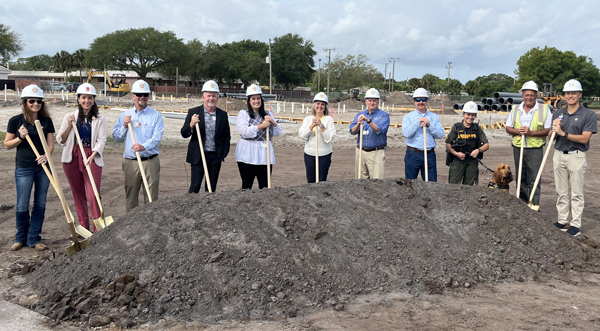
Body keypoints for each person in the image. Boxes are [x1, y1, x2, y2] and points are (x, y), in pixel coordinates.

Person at [3, 85, 54, 251]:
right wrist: (20, 137)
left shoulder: (46, 121)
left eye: (38, 101)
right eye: (31, 101)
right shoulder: (16, 121)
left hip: (43, 168)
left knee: (40, 203)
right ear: (25, 102)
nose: (35, 104)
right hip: (24, 167)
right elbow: (7, 144)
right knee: (22, 204)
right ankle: (20, 238)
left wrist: (46, 155)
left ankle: (34, 238)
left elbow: (51, 145)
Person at [56, 83, 106, 232]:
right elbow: (61, 139)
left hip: (91, 157)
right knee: (78, 195)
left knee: (93, 194)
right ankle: (84, 228)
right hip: (72, 156)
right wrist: (70, 125)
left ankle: (99, 228)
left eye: (90, 98)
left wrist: (93, 155)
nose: (87, 101)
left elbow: (101, 140)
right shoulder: (69, 117)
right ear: (78, 99)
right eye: (83, 97)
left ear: (94, 99)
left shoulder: (99, 118)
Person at [551, 79, 597, 236]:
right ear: (564, 96)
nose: (570, 96)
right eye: (568, 93)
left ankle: (575, 224)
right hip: (558, 154)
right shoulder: (558, 113)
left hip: (576, 156)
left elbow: (585, 138)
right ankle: (562, 220)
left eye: (573, 93)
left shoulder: (588, 115)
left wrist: (563, 133)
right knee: (561, 191)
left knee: (576, 193)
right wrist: (554, 128)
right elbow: (552, 135)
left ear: (579, 95)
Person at [112, 80, 164, 212]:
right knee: (131, 198)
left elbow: (157, 138)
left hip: (150, 161)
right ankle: (131, 229)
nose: (142, 97)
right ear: (133, 96)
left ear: (148, 96)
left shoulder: (156, 116)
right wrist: (124, 126)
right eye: (139, 94)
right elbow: (117, 138)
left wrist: (143, 146)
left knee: (151, 199)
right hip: (131, 163)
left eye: (145, 94)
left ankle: (151, 227)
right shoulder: (125, 115)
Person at [505, 81, 552, 207]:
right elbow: (508, 128)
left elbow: (548, 130)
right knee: (521, 177)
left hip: (535, 149)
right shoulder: (515, 109)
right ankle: (522, 205)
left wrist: (531, 133)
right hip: (518, 147)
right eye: (527, 95)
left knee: (534, 178)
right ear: (522, 96)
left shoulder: (544, 109)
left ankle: (534, 206)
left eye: (532, 95)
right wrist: (517, 131)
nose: (529, 97)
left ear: (536, 96)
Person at [181, 80, 231, 193]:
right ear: (203, 97)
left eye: (214, 96)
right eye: (209, 96)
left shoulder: (222, 115)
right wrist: (191, 124)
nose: (211, 98)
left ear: (217, 98)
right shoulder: (193, 112)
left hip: (215, 156)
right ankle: (191, 208)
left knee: (211, 188)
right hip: (198, 155)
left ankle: (208, 210)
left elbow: (226, 136)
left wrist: (223, 153)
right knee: (195, 186)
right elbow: (184, 133)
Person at [235, 84, 282, 189]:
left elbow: (278, 132)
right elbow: (244, 131)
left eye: (258, 98)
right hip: (248, 154)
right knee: (247, 185)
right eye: (253, 99)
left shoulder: (268, 113)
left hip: (265, 154)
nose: (256, 101)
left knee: (265, 185)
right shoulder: (243, 114)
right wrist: (261, 126)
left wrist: (272, 122)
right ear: (249, 101)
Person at [401, 88, 445, 181]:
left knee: (431, 184)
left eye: (423, 99)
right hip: (413, 154)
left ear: (427, 101)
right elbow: (406, 133)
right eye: (418, 100)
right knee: (410, 183)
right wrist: (417, 123)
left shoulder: (434, 116)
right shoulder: (408, 117)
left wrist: (429, 126)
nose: (420, 102)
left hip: (429, 154)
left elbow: (440, 134)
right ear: (414, 101)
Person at [349, 88, 390, 179]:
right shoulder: (359, 115)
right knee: (360, 182)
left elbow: (379, 130)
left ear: (378, 101)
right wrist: (358, 125)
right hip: (361, 152)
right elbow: (352, 131)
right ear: (366, 101)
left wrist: (368, 120)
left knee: (377, 183)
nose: (372, 103)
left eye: (374, 101)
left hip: (376, 152)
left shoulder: (384, 116)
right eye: (370, 100)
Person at [445, 101, 489, 185]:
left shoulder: (477, 129)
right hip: (457, 160)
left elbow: (486, 145)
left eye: (473, 115)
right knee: (453, 186)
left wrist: (478, 150)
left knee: (469, 187)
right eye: (468, 114)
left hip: (472, 161)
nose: (470, 117)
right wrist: (456, 153)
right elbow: (448, 144)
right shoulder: (456, 127)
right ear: (463, 114)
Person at [298, 92, 337, 183]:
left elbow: (329, 138)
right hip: (309, 153)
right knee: (311, 179)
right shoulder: (308, 119)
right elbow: (303, 136)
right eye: (318, 103)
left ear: (325, 107)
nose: (320, 106)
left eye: (322, 104)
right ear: (314, 105)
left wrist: (321, 125)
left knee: (322, 180)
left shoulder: (329, 120)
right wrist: (311, 126)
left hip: (324, 154)